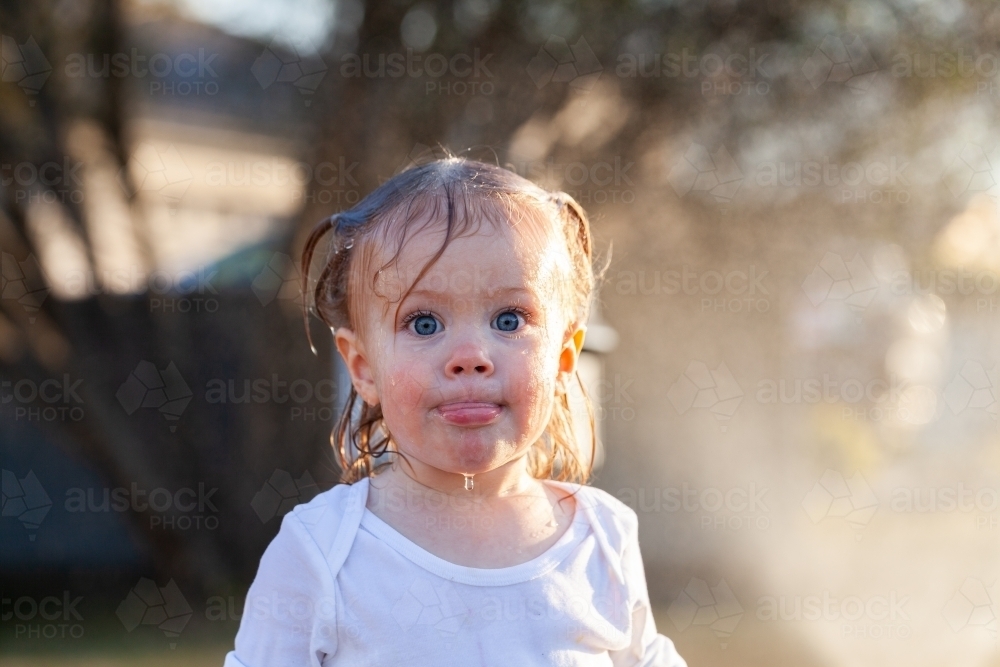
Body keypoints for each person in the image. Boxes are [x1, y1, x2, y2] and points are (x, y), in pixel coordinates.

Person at [224, 158, 686, 666]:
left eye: (509, 319)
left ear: (562, 359)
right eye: (424, 324)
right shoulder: (321, 556)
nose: (471, 355)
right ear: (364, 368)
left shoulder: (603, 541)